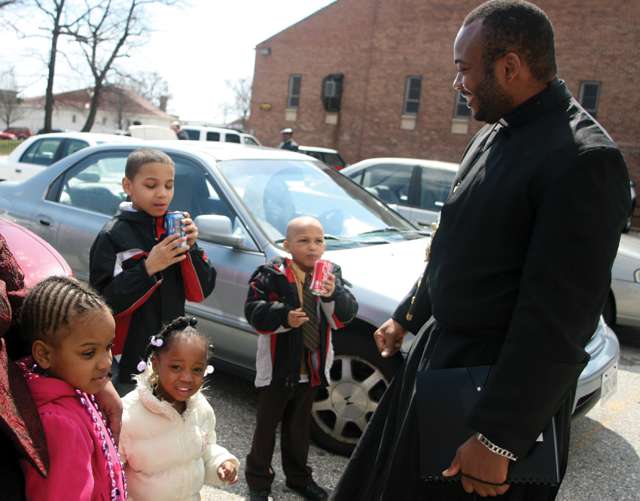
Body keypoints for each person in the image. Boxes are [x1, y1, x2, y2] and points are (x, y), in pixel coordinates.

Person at [333, 1, 630, 500]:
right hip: (443, 360)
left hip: (495, 394)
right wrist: (410, 312)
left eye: (464, 69)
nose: (458, 84)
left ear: (509, 65)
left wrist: (499, 438)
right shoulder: (493, 133)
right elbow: (455, 243)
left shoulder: (584, 161)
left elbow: (560, 320)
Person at [244, 216, 358, 501]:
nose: (312, 247)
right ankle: (258, 481)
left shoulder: (331, 273)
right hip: (279, 365)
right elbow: (253, 311)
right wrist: (283, 316)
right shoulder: (270, 273)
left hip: (312, 364)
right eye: (303, 241)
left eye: (318, 241)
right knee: (266, 427)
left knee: (299, 427)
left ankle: (298, 478)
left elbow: (343, 317)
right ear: (287, 245)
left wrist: (334, 294)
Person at [89, 148, 216, 394]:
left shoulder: (175, 228)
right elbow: (102, 304)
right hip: (128, 357)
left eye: (169, 186)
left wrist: (192, 250)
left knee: (169, 422)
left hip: (173, 351)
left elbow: (201, 292)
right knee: (130, 425)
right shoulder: (113, 234)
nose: (162, 194)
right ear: (128, 185)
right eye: (151, 185)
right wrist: (148, 268)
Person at [17, 276, 126, 500]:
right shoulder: (60, 425)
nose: (106, 362)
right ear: (45, 355)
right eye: (89, 352)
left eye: (108, 347)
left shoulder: (79, 386)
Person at [119, 316, 239, 500]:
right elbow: (111, 472)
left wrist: (221, 463)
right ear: (156, 363)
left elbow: (203, 451)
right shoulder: (128, 415)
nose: (187, 378)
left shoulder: (201, 409)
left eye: (197, 369)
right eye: (176, 367)